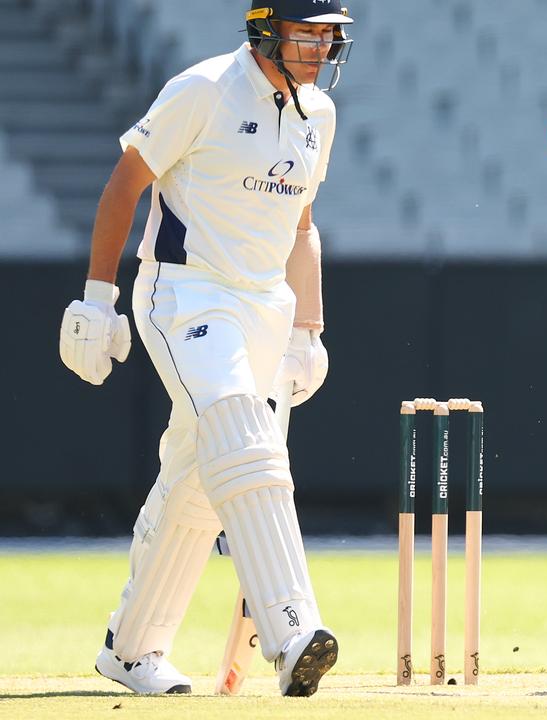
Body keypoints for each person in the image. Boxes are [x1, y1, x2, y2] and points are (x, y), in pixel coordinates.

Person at [57, 0, 352, 697]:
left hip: (264, 309)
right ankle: (293, 630)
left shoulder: (321, 115)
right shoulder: (204, 89)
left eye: (328, 36)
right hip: (185, 294)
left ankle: (131, 650)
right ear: (266, 29)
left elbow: (303, 227)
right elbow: (124, 185)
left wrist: (308, 328)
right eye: (305, 33)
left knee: (198, 480)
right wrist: (97, 298)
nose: (318, 49)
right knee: (245, 440)